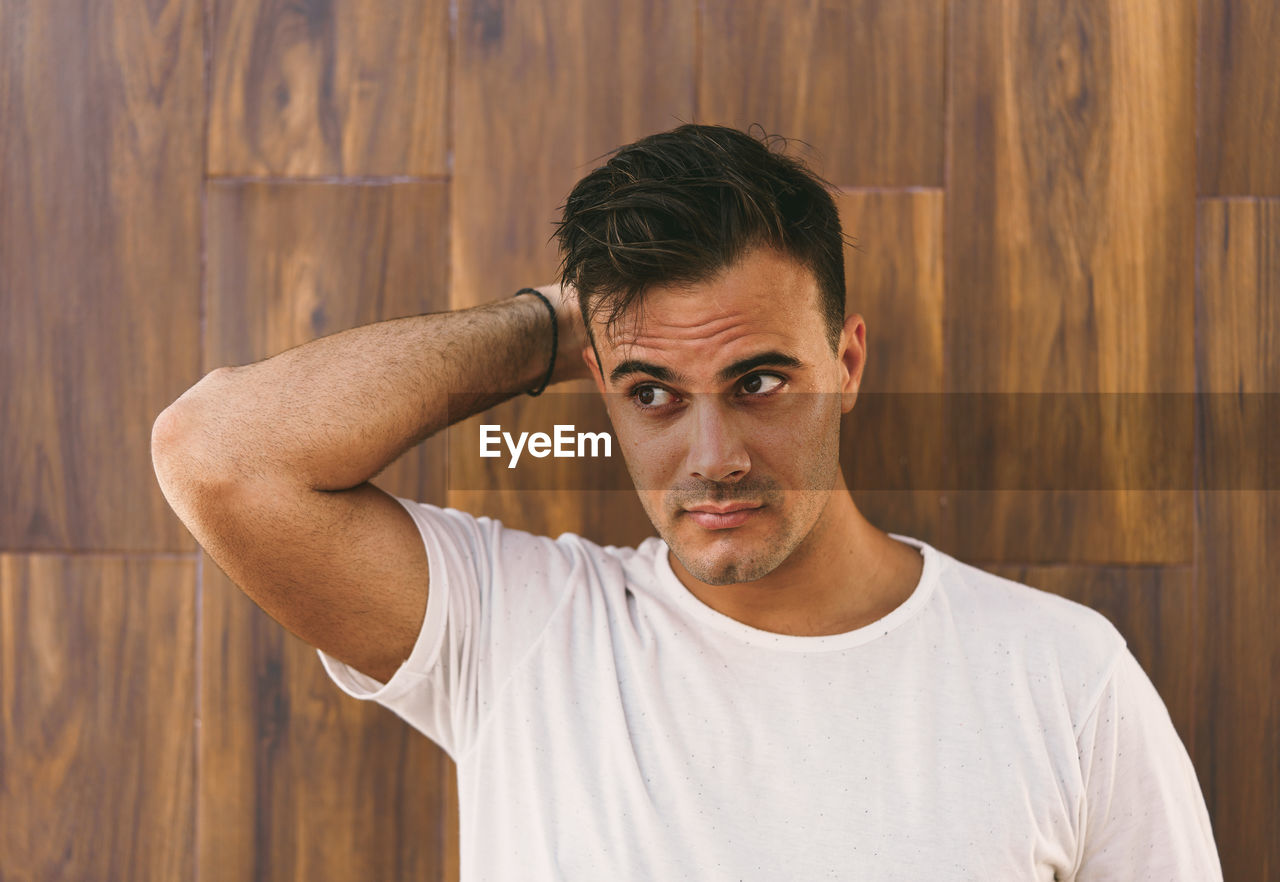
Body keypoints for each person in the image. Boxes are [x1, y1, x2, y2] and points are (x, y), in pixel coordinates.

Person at [151, 124, 1223, 880]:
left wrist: (643, 343)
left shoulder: (1064, 678)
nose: (711, 457)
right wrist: (567, 325)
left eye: (758, 381)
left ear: (846, 361)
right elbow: (218, 454)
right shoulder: (522, 633)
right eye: (652, 394)